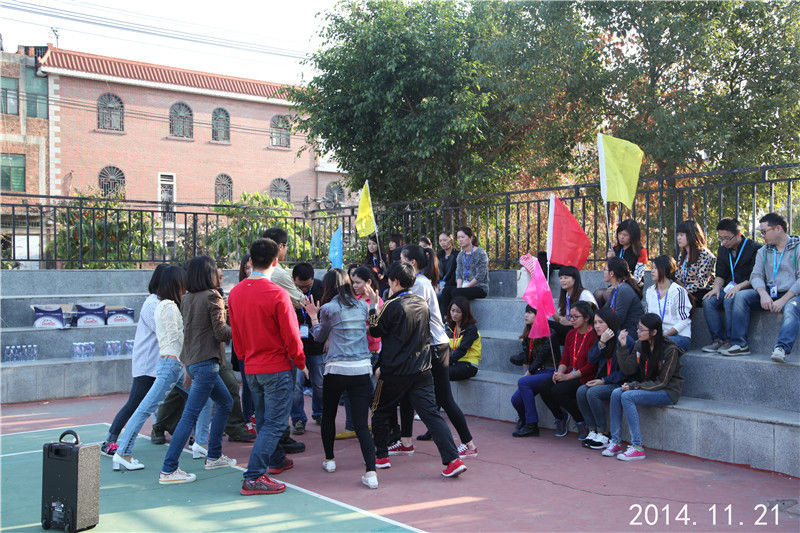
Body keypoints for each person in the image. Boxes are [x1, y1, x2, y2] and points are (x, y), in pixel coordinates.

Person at [364, 262, 467, 478]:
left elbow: (375, 330)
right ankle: (453, 459)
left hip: (394, 371)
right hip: (422, 369)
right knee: (432, 415)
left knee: (379, 410)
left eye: (389, 280)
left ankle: (381, 456)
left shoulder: (391, 305)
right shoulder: (423, 303)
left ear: (395, 281)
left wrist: (373, 305)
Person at [228, 238, 308, 496]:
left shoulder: (236, 292)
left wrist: (245, 358)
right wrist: (301, 362)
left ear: (251, 260)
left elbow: (236, 335)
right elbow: (291, 336)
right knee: (274, 422)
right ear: (275, 261)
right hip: (276, 367)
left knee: (263, 419)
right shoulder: (277, 293)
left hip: (251, 366)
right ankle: (253, 476)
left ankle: (274, 459)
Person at [395, 245, 478, 458]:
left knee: (443, 398)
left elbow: (416, 318)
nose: (398, 263)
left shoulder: (419, 284)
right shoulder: (417, 283)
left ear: (412, 262)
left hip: (433, 346)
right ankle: (405, 440)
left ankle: (468, 444)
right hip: (425, 345)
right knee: (406, 391)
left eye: (402, 259)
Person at [158, 256, 236, 485]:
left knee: (225, 402)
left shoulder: (187, 298)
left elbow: (190, 332)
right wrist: (240, 326)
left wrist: (186, 366)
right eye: (215, 270)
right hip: (206, 364)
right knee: (191, 414)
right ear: (208, 274)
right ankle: (169, 469)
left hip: (195, 363)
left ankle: (214, 455)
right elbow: (221, 333)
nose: (218, 274)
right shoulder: (213, 296)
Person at [301, 269, 379, 489]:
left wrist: (313, 316)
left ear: (327, 287)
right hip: (361, 369)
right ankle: (371, 472)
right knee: (362, 424)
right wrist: (374, 304)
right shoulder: (362, 306)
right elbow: (373, 330)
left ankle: (330, 460)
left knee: (329, 415)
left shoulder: (328, 308)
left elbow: (319, 337)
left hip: (336, 369)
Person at [112, 266, 187, 472]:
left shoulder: (165, 304)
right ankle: (116, 444)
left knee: (199, 399)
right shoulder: (160, 306)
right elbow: (172, 335)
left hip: (166, 363)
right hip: (158, 364)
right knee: (139, 405)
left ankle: (199, 441)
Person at [101, 263, 168, 456]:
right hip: (148, 364)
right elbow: (164, 331)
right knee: (135, 403)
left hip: (162, 363)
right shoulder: (152, 304)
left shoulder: (163, 303)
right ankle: (110, 439)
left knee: (186, 396)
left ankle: (194, 435)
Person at [602, 313, 684, 461]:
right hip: (647, 386)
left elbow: (662, 382)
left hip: (667, 391)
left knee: (627, 396)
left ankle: (637, 447)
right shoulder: (641, 344)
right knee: (616, 393)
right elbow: (628, 369)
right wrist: (622, 346)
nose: (638, 332)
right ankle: (616, 442)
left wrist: (635, 386)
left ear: (654, 332)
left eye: (641, 329)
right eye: (638, 328)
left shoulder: (670, 350)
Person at [724, 213, 800, 361]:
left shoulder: (797, 248)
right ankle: (739, 344)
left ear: (778, 228)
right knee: (741, 296)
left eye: (764, 231)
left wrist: (783, 300)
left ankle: (781, 348)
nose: (762, 235)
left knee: (792, 307)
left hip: (793, 295)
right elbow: (756, 276)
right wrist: (763, 293)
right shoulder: (763, 251)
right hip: (769, 293)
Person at [538, 301, 598, 440]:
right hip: (570, 372)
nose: (572, 320)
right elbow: (565, 359)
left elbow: (591, 366)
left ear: (586, 318)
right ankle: (560, 417)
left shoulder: (593, 335)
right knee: (544, 386)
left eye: (576, 317)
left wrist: (566, 377)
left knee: (558, 390)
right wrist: (559, 372)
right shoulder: (571, 334)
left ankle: (580, 421)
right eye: (571, 316)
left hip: (585, 376)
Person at [700, 219, 762, 353]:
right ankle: (717, 340)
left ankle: (730, 340)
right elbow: (720, 274)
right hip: (729, 287)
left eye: (727, 238)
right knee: (708, 301)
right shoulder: (723, 250)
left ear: (738, 234)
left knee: (729, 299)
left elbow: (755, 275)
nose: (724, 242)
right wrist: (716, 288)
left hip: (747, 286)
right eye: (720, 238)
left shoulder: (755, 248)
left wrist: (738, 287)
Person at [577, 308, 625, 450]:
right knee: (581, 391)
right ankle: (592, 430)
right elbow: (591, 359)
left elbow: (626, 372)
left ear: (610, 323)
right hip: (605, 380)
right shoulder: (601, 339)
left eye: (601, 322)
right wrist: (602, 343)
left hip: (619, 383)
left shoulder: (622, 339)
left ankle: (604, 433)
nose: (597, 326)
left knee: (593, 392)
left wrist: (604, 380)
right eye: (595, 322)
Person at [510, 305, 559, 437]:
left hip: (550, 371)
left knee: (523, 382)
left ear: (539, 316)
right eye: (526, 312)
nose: (526, 315)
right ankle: (524, 419)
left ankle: (532, 425)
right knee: (515, 400)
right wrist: (526, 372)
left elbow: (542, 356)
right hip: (537, 372)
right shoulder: (528, 334)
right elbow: (527, 358)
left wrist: (528, 373)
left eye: (531, 313)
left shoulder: (549, 333)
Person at [291, 262, 325, 434]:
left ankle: (319, 412)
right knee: (296, 385)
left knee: (319, 383)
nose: (304, 290)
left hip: (316, 344)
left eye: (307, 286)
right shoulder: (288, 291)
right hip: (295, 345)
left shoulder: (321, 288)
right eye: (301, 287)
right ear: (293, 280)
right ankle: (298, 418)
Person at [644, 255, 692, 351]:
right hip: (657, 335)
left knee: (659, 344)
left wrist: (663, 335)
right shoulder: (650, 291)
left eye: (655, 268)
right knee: (639, 344)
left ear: (665, 270)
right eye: (652, 268)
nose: (652, 271)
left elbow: (684, 321)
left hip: (679, 336)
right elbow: (648, 317)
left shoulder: (678, 291)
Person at [549, 266, 598, 359]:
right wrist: (548, 306)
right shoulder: (566, 295)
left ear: (575, 279)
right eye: (561, 278)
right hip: (570, 329)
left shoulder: (584, 294)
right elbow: (559, 319)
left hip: (582, 330)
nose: (562, 280)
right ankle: (556, 361)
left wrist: (569, 322)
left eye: (566, 277)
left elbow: (591, 317)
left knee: (548, 326)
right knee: (545, 327)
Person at [438, 226, 489, 315]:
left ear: (470, 238)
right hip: (464, 286)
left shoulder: (481, 253)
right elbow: (459, 274)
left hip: (479, 287)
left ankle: (461, 318)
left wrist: (466, 287)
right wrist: (459, 287)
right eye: (458, 238)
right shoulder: (461, 255)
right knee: (446, 291)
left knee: (456, 292)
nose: (460, 240)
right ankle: (446, 317)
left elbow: (481, 274)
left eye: (462, 237)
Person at [596, 219, 648, 305]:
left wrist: (621, 284)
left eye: (625, 235)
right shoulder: (615, 250)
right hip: (614, 285)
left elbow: (638, 277)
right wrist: (610, 259)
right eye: (619, 234)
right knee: (598, 294)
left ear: (633, 236)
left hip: (632, 287)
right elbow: (609, 273)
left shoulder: (641, 252)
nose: (621, 237)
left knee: (609, 294)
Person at [233, 255, 255, 433]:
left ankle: (255, 416)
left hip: (258, 343)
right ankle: (247, 418)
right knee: (247, 383)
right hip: (243, 345)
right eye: (246, 268)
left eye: (251, 267)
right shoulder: (237, 291)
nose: (249, 271)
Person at [601, 257, 644, 342]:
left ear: (612, 273)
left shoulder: (624, 290)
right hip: (620, 330)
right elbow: (605, 311)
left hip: (629, 334)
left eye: (605, 269)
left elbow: (618, 319)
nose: (603, 271)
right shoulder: (616, 289)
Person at [674, 220, 717, 303]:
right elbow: (678, 276)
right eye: (678, 235)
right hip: (684, 291)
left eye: (682, 235)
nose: (678, 238)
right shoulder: (683, 254)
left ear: (691, 235)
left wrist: (682, 291)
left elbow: (701, 283)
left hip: (700, 293)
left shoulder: (706, 255)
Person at [262, 227, 305, 308]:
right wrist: (294, 285)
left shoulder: (253, 267)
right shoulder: (279, 274)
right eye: (286, 246)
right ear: (280, 246)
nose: (286, 250)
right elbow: (301, 302)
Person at [446, 297, 481, 381]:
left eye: (458, 312)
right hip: (455, 362)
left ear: (465, 313)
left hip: (469, 365)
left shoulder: (471, 329)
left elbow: (462, 349)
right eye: (452, 310)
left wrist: (446, 362)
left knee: (442, 373)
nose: (454, 314)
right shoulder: (450, 328)